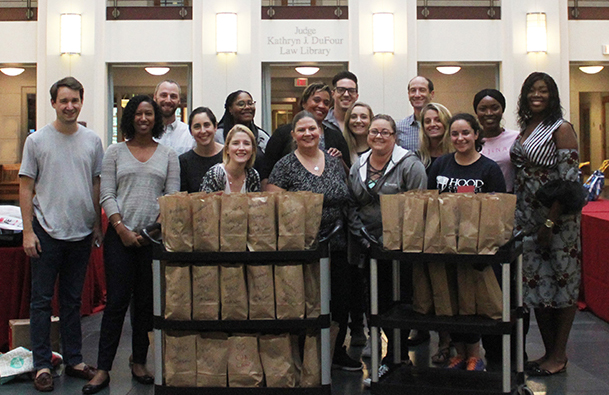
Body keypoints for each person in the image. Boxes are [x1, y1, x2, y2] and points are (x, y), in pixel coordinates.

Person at [84, 95, 180, 394]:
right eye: (138, 113)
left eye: (149, 113)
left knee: (145, 305)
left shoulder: (168, 154)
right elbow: (107, 192)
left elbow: (171, 196)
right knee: (115, 304)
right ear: (130, 117)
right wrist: (120, 228)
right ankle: (102, 368)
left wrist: (152, 229)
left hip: (153, 238)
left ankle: (139, 361)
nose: (143, 118)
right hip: (119, 237)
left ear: (156, 118)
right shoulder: (114, 151)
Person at [19, 77, 103, 392]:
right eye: (63, 101)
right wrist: (28, 231)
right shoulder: (37, 141)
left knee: (72, 300)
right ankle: (41, 364)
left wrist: (96, 223)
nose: (69, 106)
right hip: (46, 230)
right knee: (41, 301)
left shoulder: (93, 140)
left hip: (81, 232)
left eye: (75, 101)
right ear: (53, 103)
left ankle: (75, 360)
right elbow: (25, 186)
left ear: (82, 102)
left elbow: (96, 183)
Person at [266, 110, 361, 371]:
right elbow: (274, 204)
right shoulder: (285, 165)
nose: (308, 134)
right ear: (294, 135)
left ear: (320, 132)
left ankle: (335, 352)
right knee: (306, 301)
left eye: (312, 129)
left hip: (338, 245)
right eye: (302, 130)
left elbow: (346, 195)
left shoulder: (333, 162)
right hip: (302, 247)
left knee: (340, 301)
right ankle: (305, 356)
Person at [347, 114, 427, 387]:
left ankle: (398, 356)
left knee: (401, 302)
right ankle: (386, 357)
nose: (378, 136)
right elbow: (352, 205)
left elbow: (417, 205)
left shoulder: (409, 164)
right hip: (369, 247)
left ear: (395, 136)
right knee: (376, 302)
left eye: (385, 132)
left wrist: (396, 239)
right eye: (374, 132)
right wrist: (365, 238)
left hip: (400, 249)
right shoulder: (359, 164)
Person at [511, 72, 581, 377]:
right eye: (531, 91)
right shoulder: (527, 128)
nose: (536, 95)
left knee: (563, 282)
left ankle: (560, 354)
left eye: (543, 91)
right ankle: (548, 352)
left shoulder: (561, 128)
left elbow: (569, 183)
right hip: (528, 216)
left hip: (558, 220)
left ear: (553, 96)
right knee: (536, 284)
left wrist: (550, 222)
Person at [427, 113, 506, 372]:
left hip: (477, 248)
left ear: (476, 135)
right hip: (444, 244)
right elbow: (428, 200)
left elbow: (499, 208)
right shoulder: (440, 164)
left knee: (472, 302)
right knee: (450, 300)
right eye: (455, 134)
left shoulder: (489, 169)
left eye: (465, 133)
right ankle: (458, 353)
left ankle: (475, 355)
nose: (460, 138)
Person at [416, 102, 454, 364]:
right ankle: (442, 340)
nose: (432, 125)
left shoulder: (457, 152)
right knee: (434, 287)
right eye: (427, 121)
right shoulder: (419, 156)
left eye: (437, 120)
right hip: (427, 230)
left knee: (455, 287)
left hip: (457, 230)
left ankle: (459, 344)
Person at [260, 82, 350, 185]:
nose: (321, 105)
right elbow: (266, 174)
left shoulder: (336, 136)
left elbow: (349, 176)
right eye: (316, 100)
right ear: (303, 103)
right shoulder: (282, 134)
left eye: (326, 103)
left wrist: (340, 160)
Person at [342, 101, 374, 348]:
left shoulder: (380, 147)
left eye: (364, 116)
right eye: (354, 116)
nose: (358, 121)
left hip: (375, 226)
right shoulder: (341, 146)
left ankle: (376, 330)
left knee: (373, 281)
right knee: (353, 279)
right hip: (348, 223)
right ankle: (356, 329)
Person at [474, 89, 519, 193]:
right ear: (476, 112)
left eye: (494, 108)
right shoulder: (470, 141)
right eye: (483, 109)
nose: (489, 113)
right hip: (477, 198)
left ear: (502, 110)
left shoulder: (516, 138)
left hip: (508, 198)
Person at [201, 124, 261, 193]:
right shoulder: (215, 174)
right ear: (227, 149)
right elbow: (205, 203)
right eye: (235, 143)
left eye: (246, 143)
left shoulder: (253, 176)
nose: (241, 148)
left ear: (253, 150)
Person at [179, 106, 223, 193]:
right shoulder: (184, 162)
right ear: (191, 131)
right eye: (197, 126)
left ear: (215, 127)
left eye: (206, 125)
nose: (202, 131)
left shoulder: (229, 155)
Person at [153, 79, 195, 155]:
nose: (168, 100)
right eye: (163, 95)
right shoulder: (145, 133)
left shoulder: (189, 134)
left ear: (179, 100)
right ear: (155, 98)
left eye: (173, 96)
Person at [395, 76, 435, 151]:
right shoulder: (399, 127)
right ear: (408, 94)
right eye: (413, 90)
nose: (417, 95)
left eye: (422, 90)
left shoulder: (443, 125)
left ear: (431, 94)